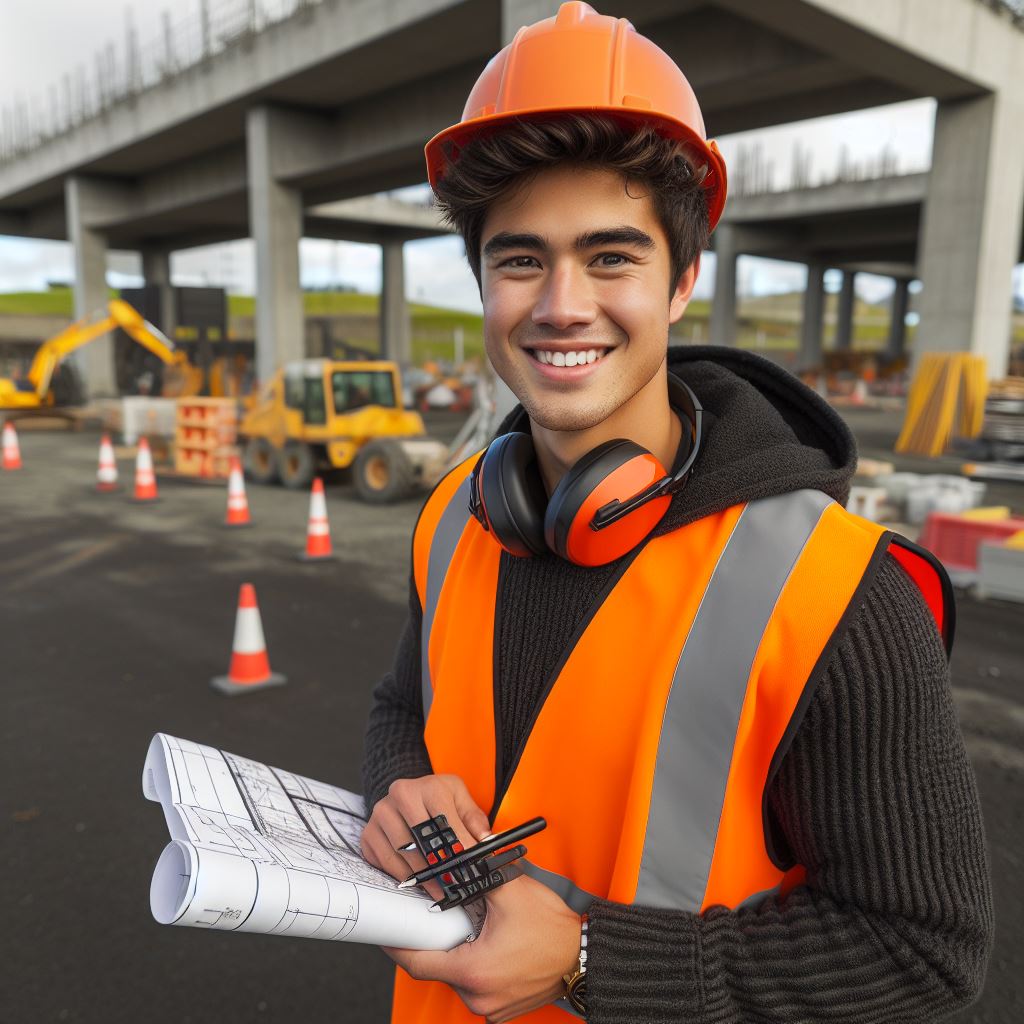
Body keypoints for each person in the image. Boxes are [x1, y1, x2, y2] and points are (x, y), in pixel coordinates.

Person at [360, 4, 993, 1022]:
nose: (561, 303)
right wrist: (401, 781)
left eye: (611, 258)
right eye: (520, 259)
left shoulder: (836, 590)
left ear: (683, 278)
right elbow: (404, 705)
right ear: (481, 280)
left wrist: (582, 956)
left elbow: (921, 950)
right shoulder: (456, 516)